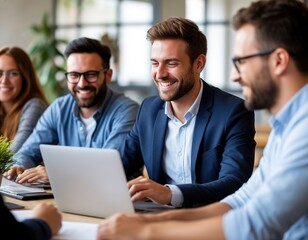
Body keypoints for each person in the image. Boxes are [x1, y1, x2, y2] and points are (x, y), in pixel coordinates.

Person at [96, 0, 308, 239]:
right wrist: (157, 219)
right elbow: (242, 200)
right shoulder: (286, 127)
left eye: (242, 62)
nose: (234, 76)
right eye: (155, 63)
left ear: (279, 61)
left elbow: (254, 223)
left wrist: (148, 231)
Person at [120, 17, 255, 208]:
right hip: (159, 219)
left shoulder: (233, 112)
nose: (160, 74)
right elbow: (119, 166)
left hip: (208, 222)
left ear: (198, 64)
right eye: (155, 63)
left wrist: (169, 194)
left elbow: (234, 183)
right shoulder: (148, 110)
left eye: (171, 63)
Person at [4, 37, 139, 183]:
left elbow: (109, 168)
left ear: (108, 75)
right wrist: (18, 166)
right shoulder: (59, 109)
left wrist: (58, 173)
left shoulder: (127, 111)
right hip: (67, 197)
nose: (82, 83)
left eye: (91, 74)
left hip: (118, 200)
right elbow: (28, 152)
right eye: (74, 75)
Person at [0, 46, 48, 153]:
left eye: (13, 73)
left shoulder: (35, 106)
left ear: (26, 78)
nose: (4, 81)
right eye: (0, 73)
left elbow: (13, 154)